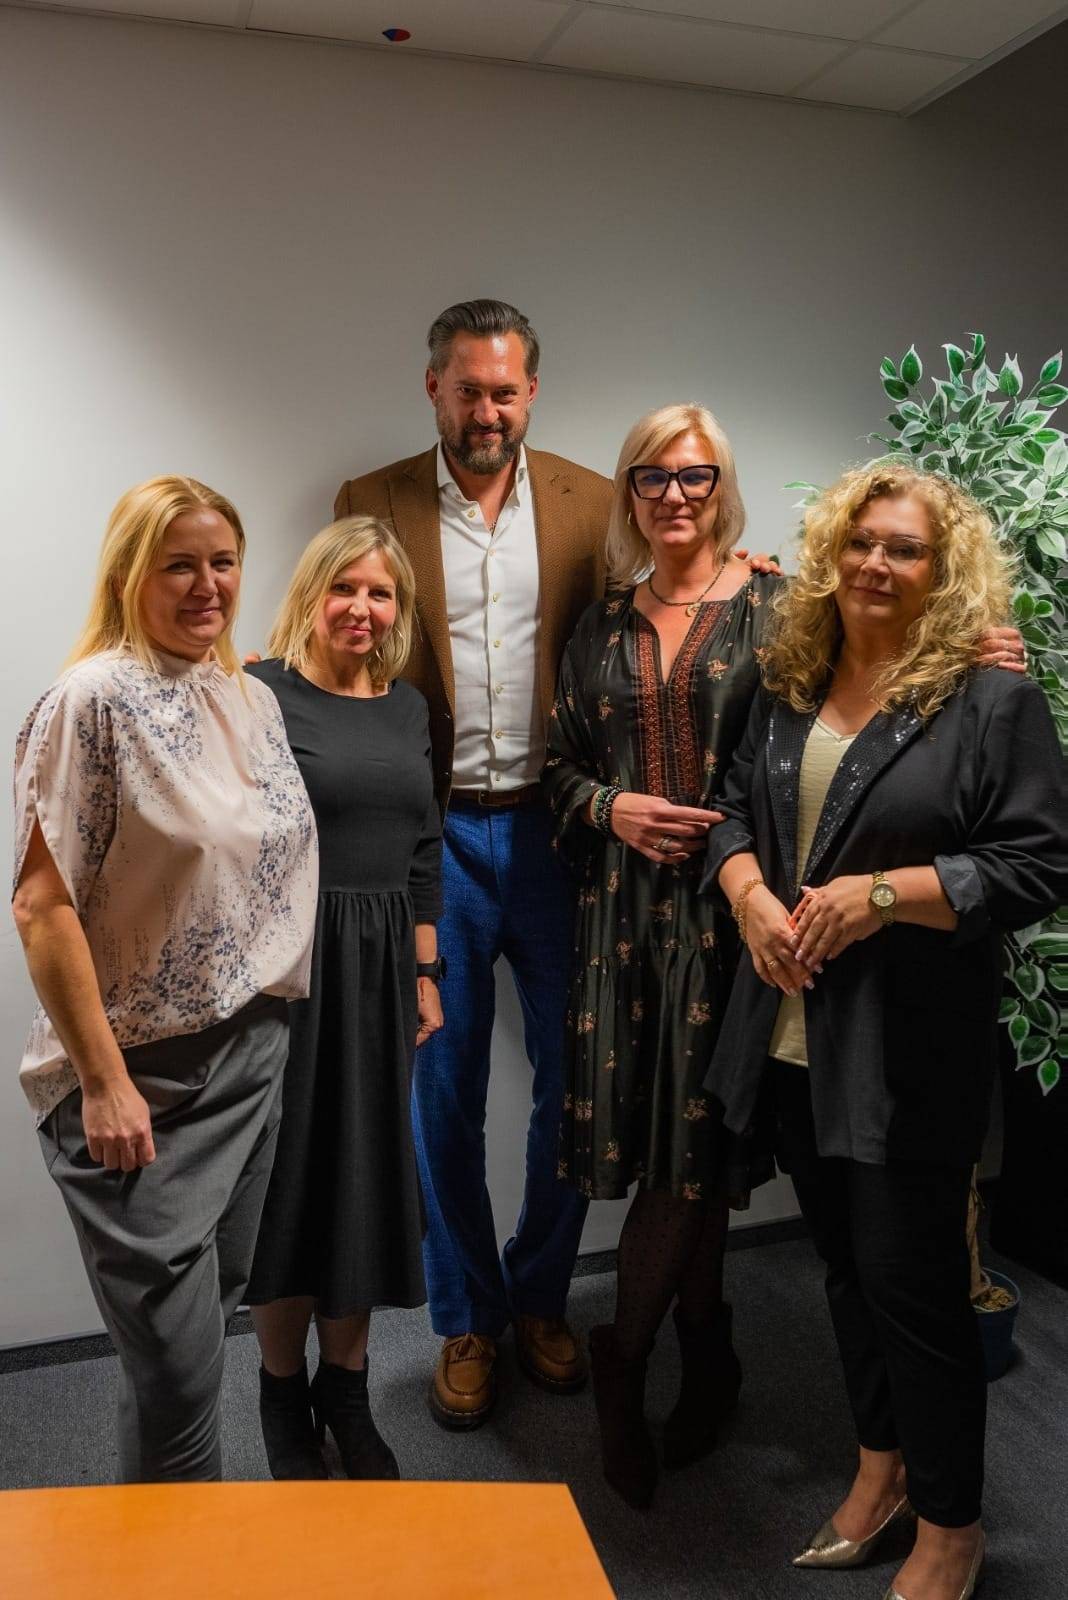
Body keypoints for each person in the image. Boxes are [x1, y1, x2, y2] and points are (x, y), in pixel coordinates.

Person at [702, 464, 1067, 1600]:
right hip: (793, 1039)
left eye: (905, 548)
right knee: (847, 1273)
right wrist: (750, 896)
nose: (876, 563)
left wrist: (883, 895)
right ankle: (880, 1472)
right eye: (861, 541)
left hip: (908, 1051)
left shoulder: (988, 697)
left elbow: (1035, 864)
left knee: (916, 1291)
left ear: (941, 570)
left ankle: (953, 1526)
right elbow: (728, 811)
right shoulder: (791, 679)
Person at [333, 299, 612, 1428]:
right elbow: (342, 643)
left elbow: (659, 612)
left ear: (531, 392)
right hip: (434, 838)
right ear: (433, 388)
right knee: (440, 1088)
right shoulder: (374, 500)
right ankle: (465, 1315)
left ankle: (542, 1295)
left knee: (576, 1080)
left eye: (505, 391)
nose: (486, 411)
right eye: (467, 390)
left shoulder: (595, 502)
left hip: (556, 834)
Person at [12, 476, 318, 1483]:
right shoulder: (90, 701)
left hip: (251, 1060)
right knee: (184, 1385)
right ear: (128, 575)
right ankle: (184, 1556)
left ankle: (141, 1546)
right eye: (178, 564)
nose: (207, 584)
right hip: (141, 1080)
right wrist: (103, 1083)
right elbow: (41, 907)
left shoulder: (250, 697)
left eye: (222, 562)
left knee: (185, 1349)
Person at [542, 403, 784, 1507]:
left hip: (735, 915)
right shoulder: (598, 624)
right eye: (653, 476)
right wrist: (614, 807)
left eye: (695, 476)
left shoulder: (782, 607)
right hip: (621, 920)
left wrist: (989, 646)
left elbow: (861, 698)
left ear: (721, 486)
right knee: (672, 1151)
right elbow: (557, 766)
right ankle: (703, 1352)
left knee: (701, 1149)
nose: (675, 494)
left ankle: (628, 1357)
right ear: (629, 492)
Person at [243, 517, 442, 1480]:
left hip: (381, 969)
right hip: (291, 967)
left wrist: (427, 972)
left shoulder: (408, 708)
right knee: (292, 1184)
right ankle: (281, 1391)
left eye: (381, 593)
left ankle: (347, 1390)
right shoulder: (258, 693)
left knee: (365, 1174)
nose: (362, 608)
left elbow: (424, 844)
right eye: (345, 587)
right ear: (313, 593)